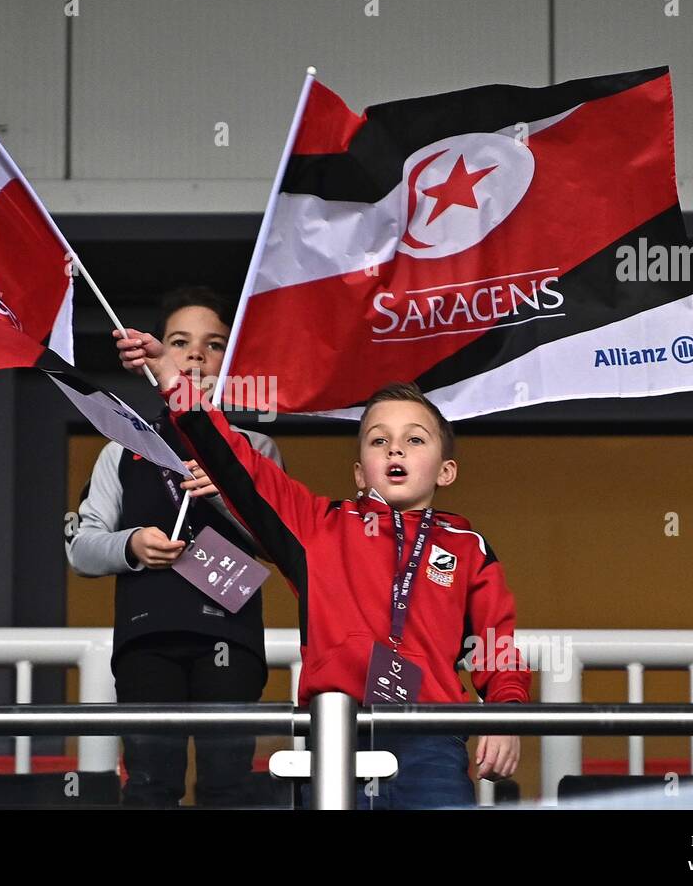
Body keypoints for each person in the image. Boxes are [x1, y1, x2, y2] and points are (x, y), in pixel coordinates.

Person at [113, 326, 532, 809]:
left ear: (446, 470)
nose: (395, 449)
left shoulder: (467, 545)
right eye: (378, 441)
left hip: (432, 739)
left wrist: (505, 716)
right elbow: (236, 463)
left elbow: (496, 646)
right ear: (359, 472)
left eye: (415, 440)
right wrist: (169, 375)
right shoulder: (318, 528)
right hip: (334, 737)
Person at [66, 286, 284, 807]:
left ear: (230, 361)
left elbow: (282, 540)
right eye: (180, 341)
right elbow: (81, 547)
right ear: (152, 354)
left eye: (213, 345)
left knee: (226, 784)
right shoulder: (122, 445)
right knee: (149, 783)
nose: (195, 355)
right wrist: (133, 544)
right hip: (147, 637)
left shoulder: (256, 447)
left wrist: (229, 493)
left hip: (230, 635)